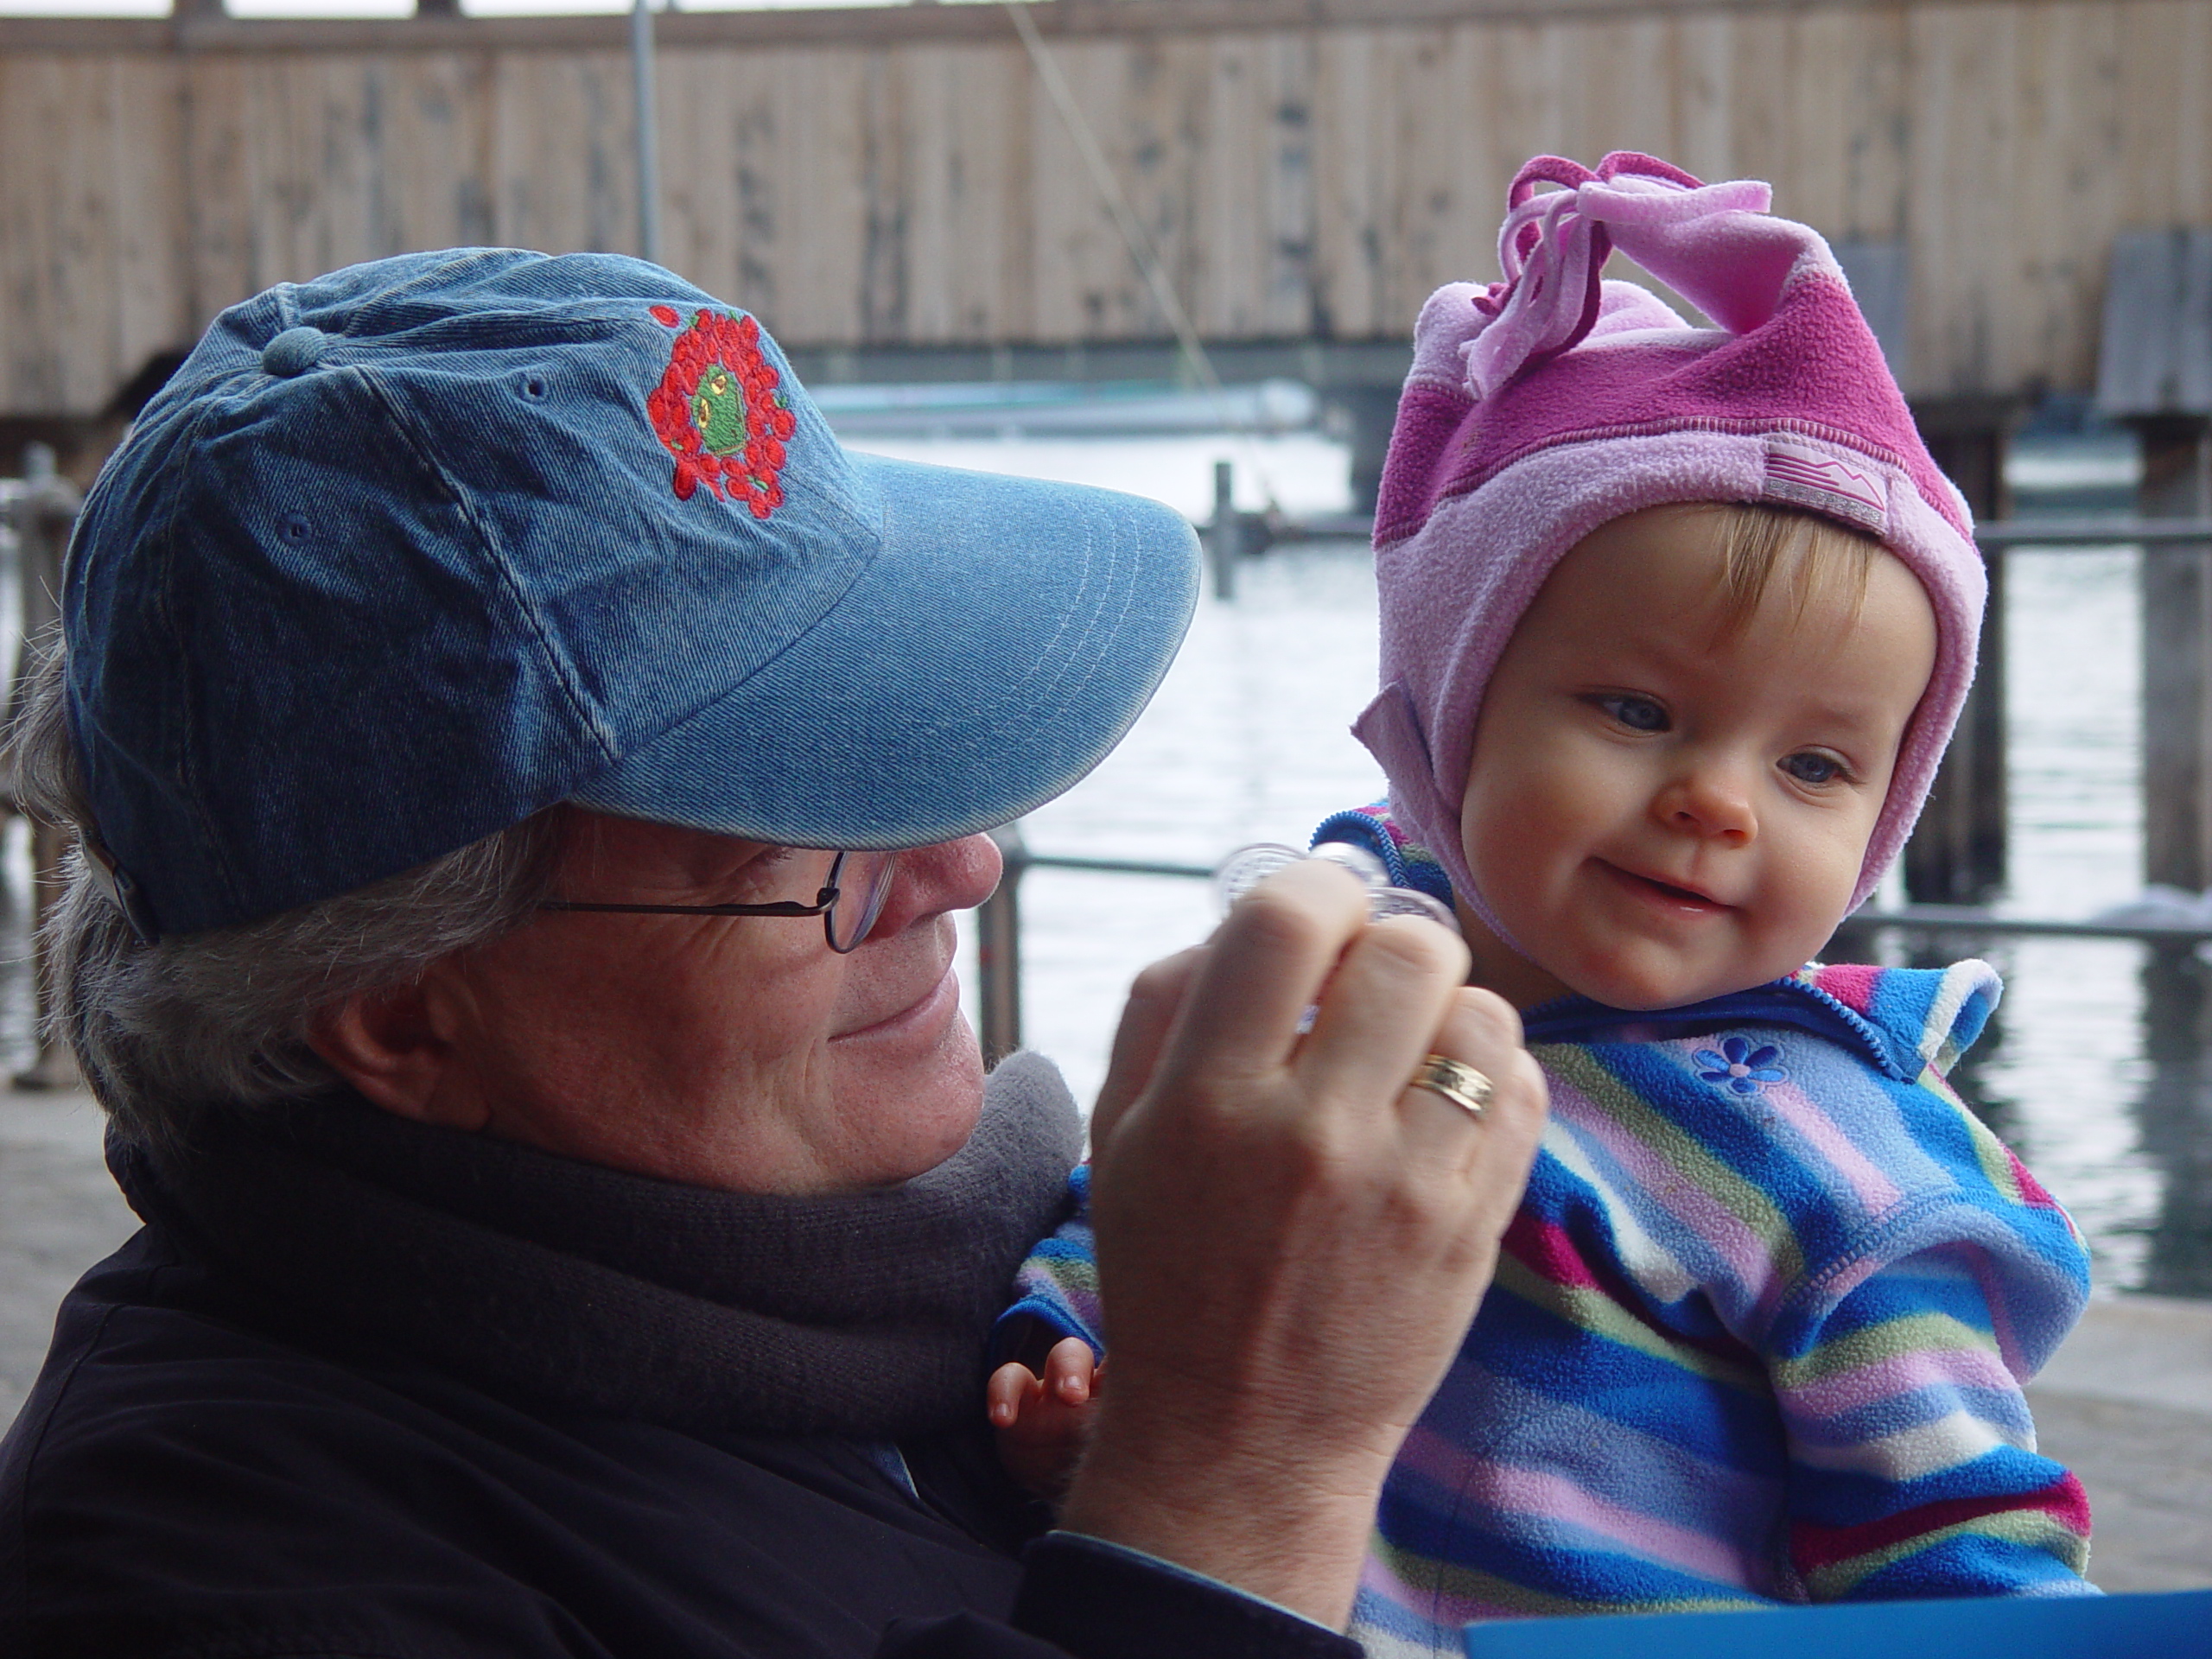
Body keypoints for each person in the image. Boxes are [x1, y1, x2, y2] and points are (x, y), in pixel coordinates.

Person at [0, 249, 1551, 1658]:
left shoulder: (976, 1284)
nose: (968, 864)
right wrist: (1235, 1487)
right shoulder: (213, 1570)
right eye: (803, 842)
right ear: (401, 1013)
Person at [990, 154, 2098, 1654]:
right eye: (1639, 709)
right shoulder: (1318, 983)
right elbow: (1155, 1207)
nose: (1721, 798)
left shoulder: (1846, 1165)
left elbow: (1958, 1539)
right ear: (1453, 718)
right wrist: (1070, 1358)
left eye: (1818, 763)